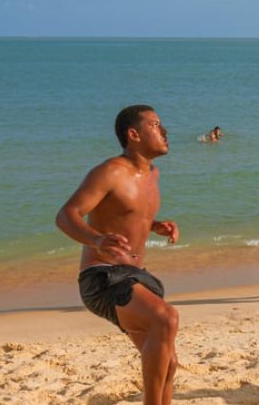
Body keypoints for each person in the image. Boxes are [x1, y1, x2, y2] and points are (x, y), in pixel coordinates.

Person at [55, 105, 182, 405]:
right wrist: (96, 240)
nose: (164, 131)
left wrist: (153, 225)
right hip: (102, 276)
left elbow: (126, 214)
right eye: (155, 125)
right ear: (133, 134)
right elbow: (66, 215)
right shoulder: (110, 171)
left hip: (137, 276)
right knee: (166, 318)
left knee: (169, 363)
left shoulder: (153, 173)